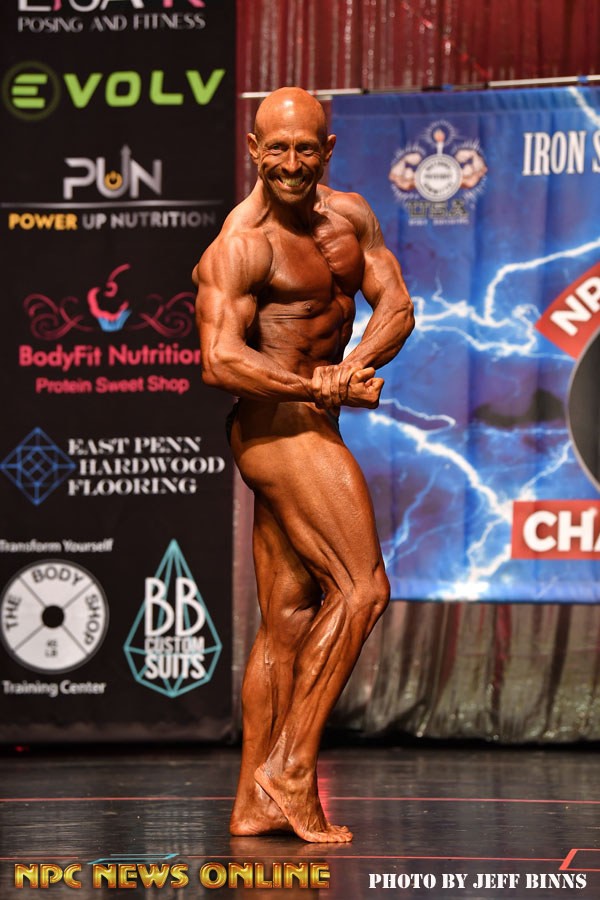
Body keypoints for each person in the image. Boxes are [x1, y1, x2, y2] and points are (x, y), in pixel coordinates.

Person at [193, 86, 414, 843]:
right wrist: (314, 386)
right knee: (362, 588)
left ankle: (253, 804)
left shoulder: (350, 217)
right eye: (276, 148)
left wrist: (352, 366)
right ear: (253, 149)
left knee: (286, 622)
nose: (290, 163)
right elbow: (220, 359)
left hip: (316, 415)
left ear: (328, 149)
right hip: (277, 426)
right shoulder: (241, 244)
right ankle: (289, 770)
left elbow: (396, 305)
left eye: (305, 148)